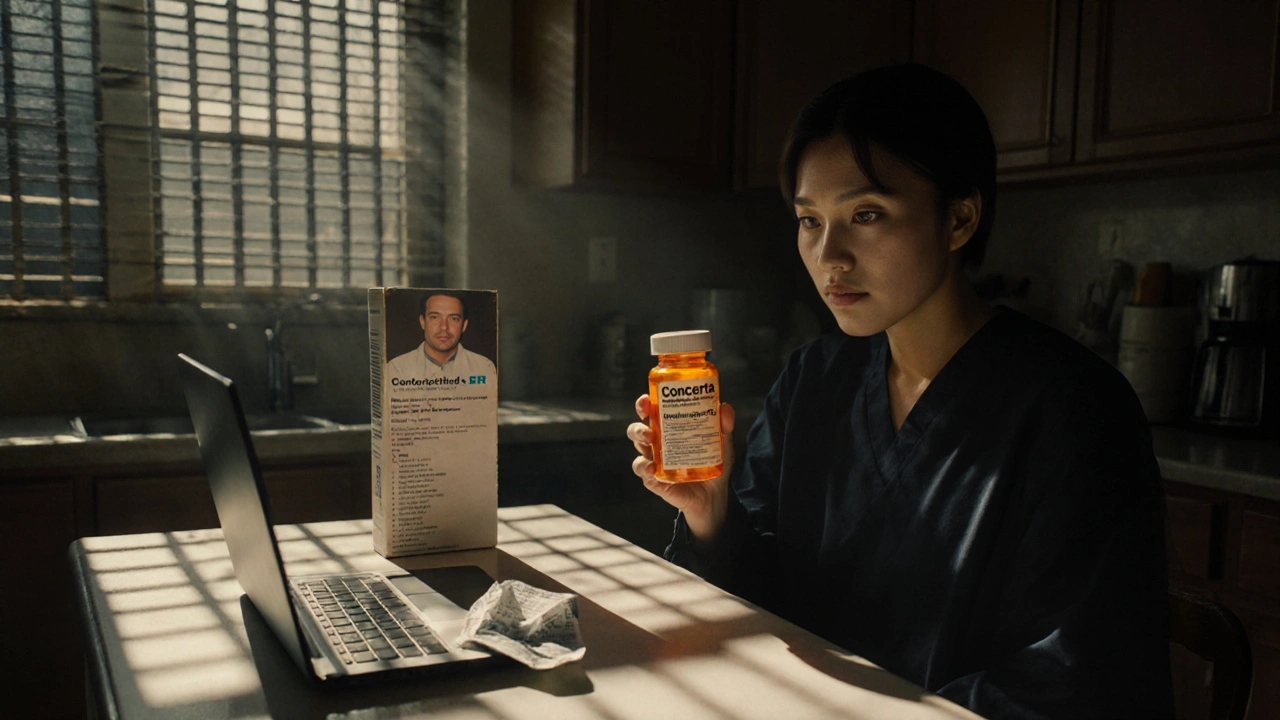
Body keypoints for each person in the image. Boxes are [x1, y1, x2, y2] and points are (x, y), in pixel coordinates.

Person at [627, 64, 1174, 720]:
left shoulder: (1073, 409)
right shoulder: (814, 382)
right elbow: (759, 602)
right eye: (809, 220)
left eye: (865, 214)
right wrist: (712, 515)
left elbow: (1074, 681)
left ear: (960, 218)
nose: (830, 255)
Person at [386, 292, 496, 382]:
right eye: (434, 317)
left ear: (464, 325)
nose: (444, 327)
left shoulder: (483, 367)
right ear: (422, 322)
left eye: (453, 318)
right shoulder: (397, 369)